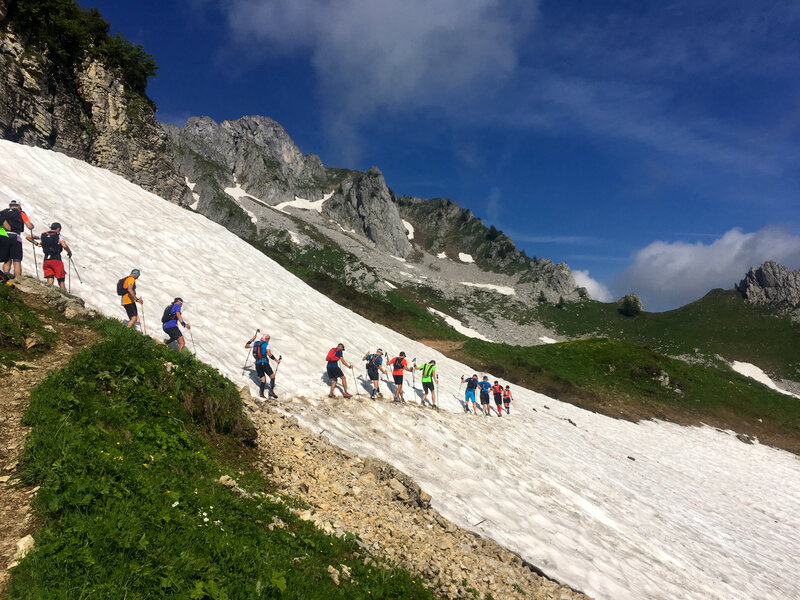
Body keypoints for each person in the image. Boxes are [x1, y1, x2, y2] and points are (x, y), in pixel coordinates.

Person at [30, 222, 72, 290]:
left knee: (50, 277)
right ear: (58, 229)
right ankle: (65, 295)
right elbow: (64, 245)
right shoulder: (58, 235)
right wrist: (69, 252)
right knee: (60, 280)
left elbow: (28, 237)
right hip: (56, 260)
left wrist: (37, 244)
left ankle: (49, 293)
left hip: (46, 260)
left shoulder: (43, 235)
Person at [1, 199, 34, 279]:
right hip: (15, 237)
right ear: (19, 206)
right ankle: (17, 279)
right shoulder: (21, 213)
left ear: (10, 206)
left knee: (7, 259)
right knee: (17, 259)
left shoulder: (3, 212)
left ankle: (5, 276)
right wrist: (32, 226)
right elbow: (29, 226)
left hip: (4, 236)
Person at [245, 332, 281, 399]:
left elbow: (246, 346)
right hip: (264, 363)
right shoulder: (266, 344)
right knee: (272, 376)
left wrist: (252, 339)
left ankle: (261, 394)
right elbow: (269, 354)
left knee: (263, 379)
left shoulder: (255, 343)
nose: (268, 340)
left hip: (257, 364)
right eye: (268, 339)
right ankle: (271, 391)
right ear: (266, 339)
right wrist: (276, 360)